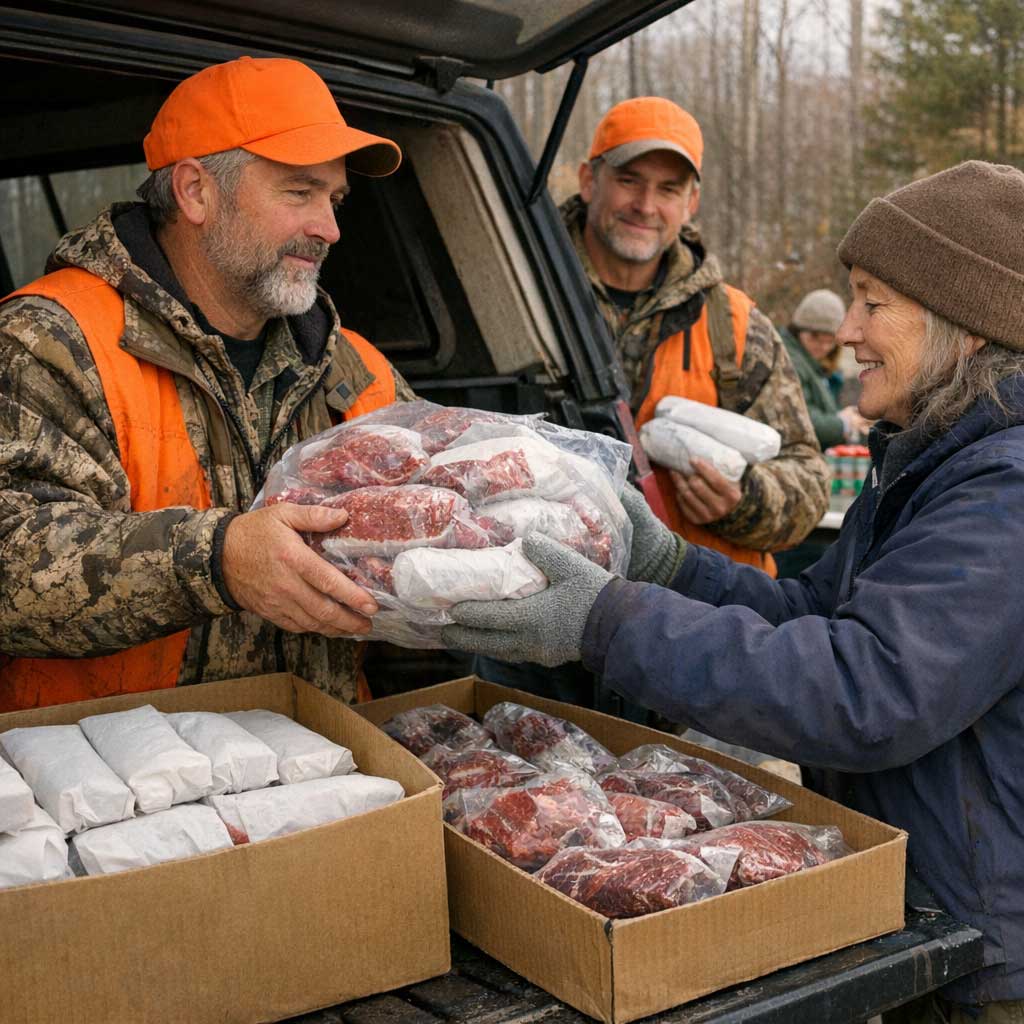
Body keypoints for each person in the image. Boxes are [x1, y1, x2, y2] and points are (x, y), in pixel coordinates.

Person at [443, 160, 1024, 1020]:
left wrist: (605, 621)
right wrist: (672, 565)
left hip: (993, 952)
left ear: (964, 328)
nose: (849, 331)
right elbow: (817, 612)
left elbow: (865, 689)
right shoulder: (933, 456)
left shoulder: (1005, 490)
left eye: (873, 303)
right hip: (936, 910)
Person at [0, 56, 414, 711]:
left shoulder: (353, 368)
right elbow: (11, 559)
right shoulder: (48, 340)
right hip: (109, 765)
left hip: (331, 757)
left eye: (334, 200)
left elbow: (446, 513)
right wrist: (215, 560)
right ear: (195, 191)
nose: (330, 229)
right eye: (299, 192)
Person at [472, 96, 828, 716]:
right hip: (535, 623)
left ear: (691, 203)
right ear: (590, 180)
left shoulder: (736, 326)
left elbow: (808, 481)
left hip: (691, 643)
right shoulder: (514, 292)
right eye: (629, 180)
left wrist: (742, 502)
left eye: (668, 189)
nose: (646, 204)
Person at [780, 288, 871, 449]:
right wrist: (843, 423)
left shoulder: (815, 363)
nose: (823, 347)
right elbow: (802, 419)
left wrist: (843, 417)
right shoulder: (790, 360)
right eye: (815, 338)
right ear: (798, 330)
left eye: (830, 341)